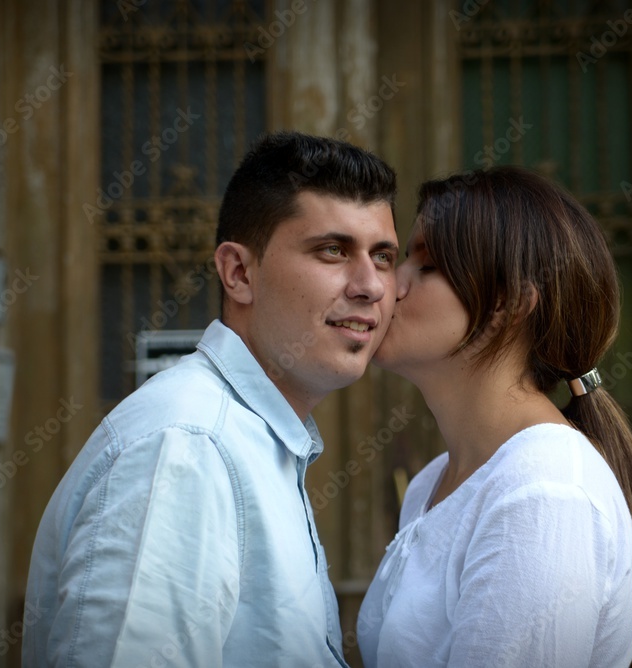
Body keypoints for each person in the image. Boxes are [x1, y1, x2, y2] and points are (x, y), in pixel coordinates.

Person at [23, 131, 399, 667]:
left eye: (383, 256)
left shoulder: (242, 437)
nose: (372, 286)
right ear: (239, 273)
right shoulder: (186, 447)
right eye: (333, 250)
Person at [356, 166, 632, 667]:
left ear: (509, 305)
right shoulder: (433, 482)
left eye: (425, 266)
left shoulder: (545, 493)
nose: (388, 285)